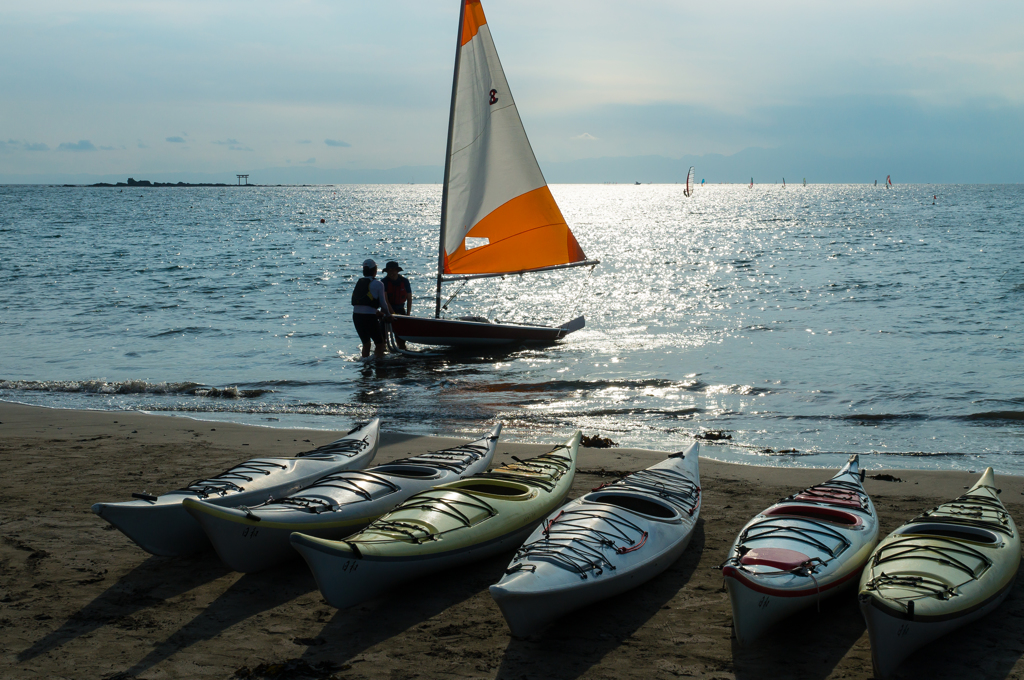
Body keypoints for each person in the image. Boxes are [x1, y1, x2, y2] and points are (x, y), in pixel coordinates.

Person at [351, 259, 392, 359]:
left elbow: (363, 304)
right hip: (369, 317)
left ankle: (365, 365)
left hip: (356, 316)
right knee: (379, 343)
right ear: (375, 270)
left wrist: (377, 312)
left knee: (366, 344)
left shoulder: (360, 282)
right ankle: (378, 363)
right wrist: (388, 315)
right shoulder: (378, 284)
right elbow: (383, 304)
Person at [381, 261, 412, 350]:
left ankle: (402, 350)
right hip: (386, 311)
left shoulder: (404, 281)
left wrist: (408, 315)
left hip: (400, 310)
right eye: (389, 271)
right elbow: (385, 301)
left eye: (393, 270)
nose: (391, 273)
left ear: (397, 271)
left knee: (401, 340)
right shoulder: (384, 282)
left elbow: (409, 299)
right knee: (382, 339)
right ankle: (382, 351)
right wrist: (392, 314)